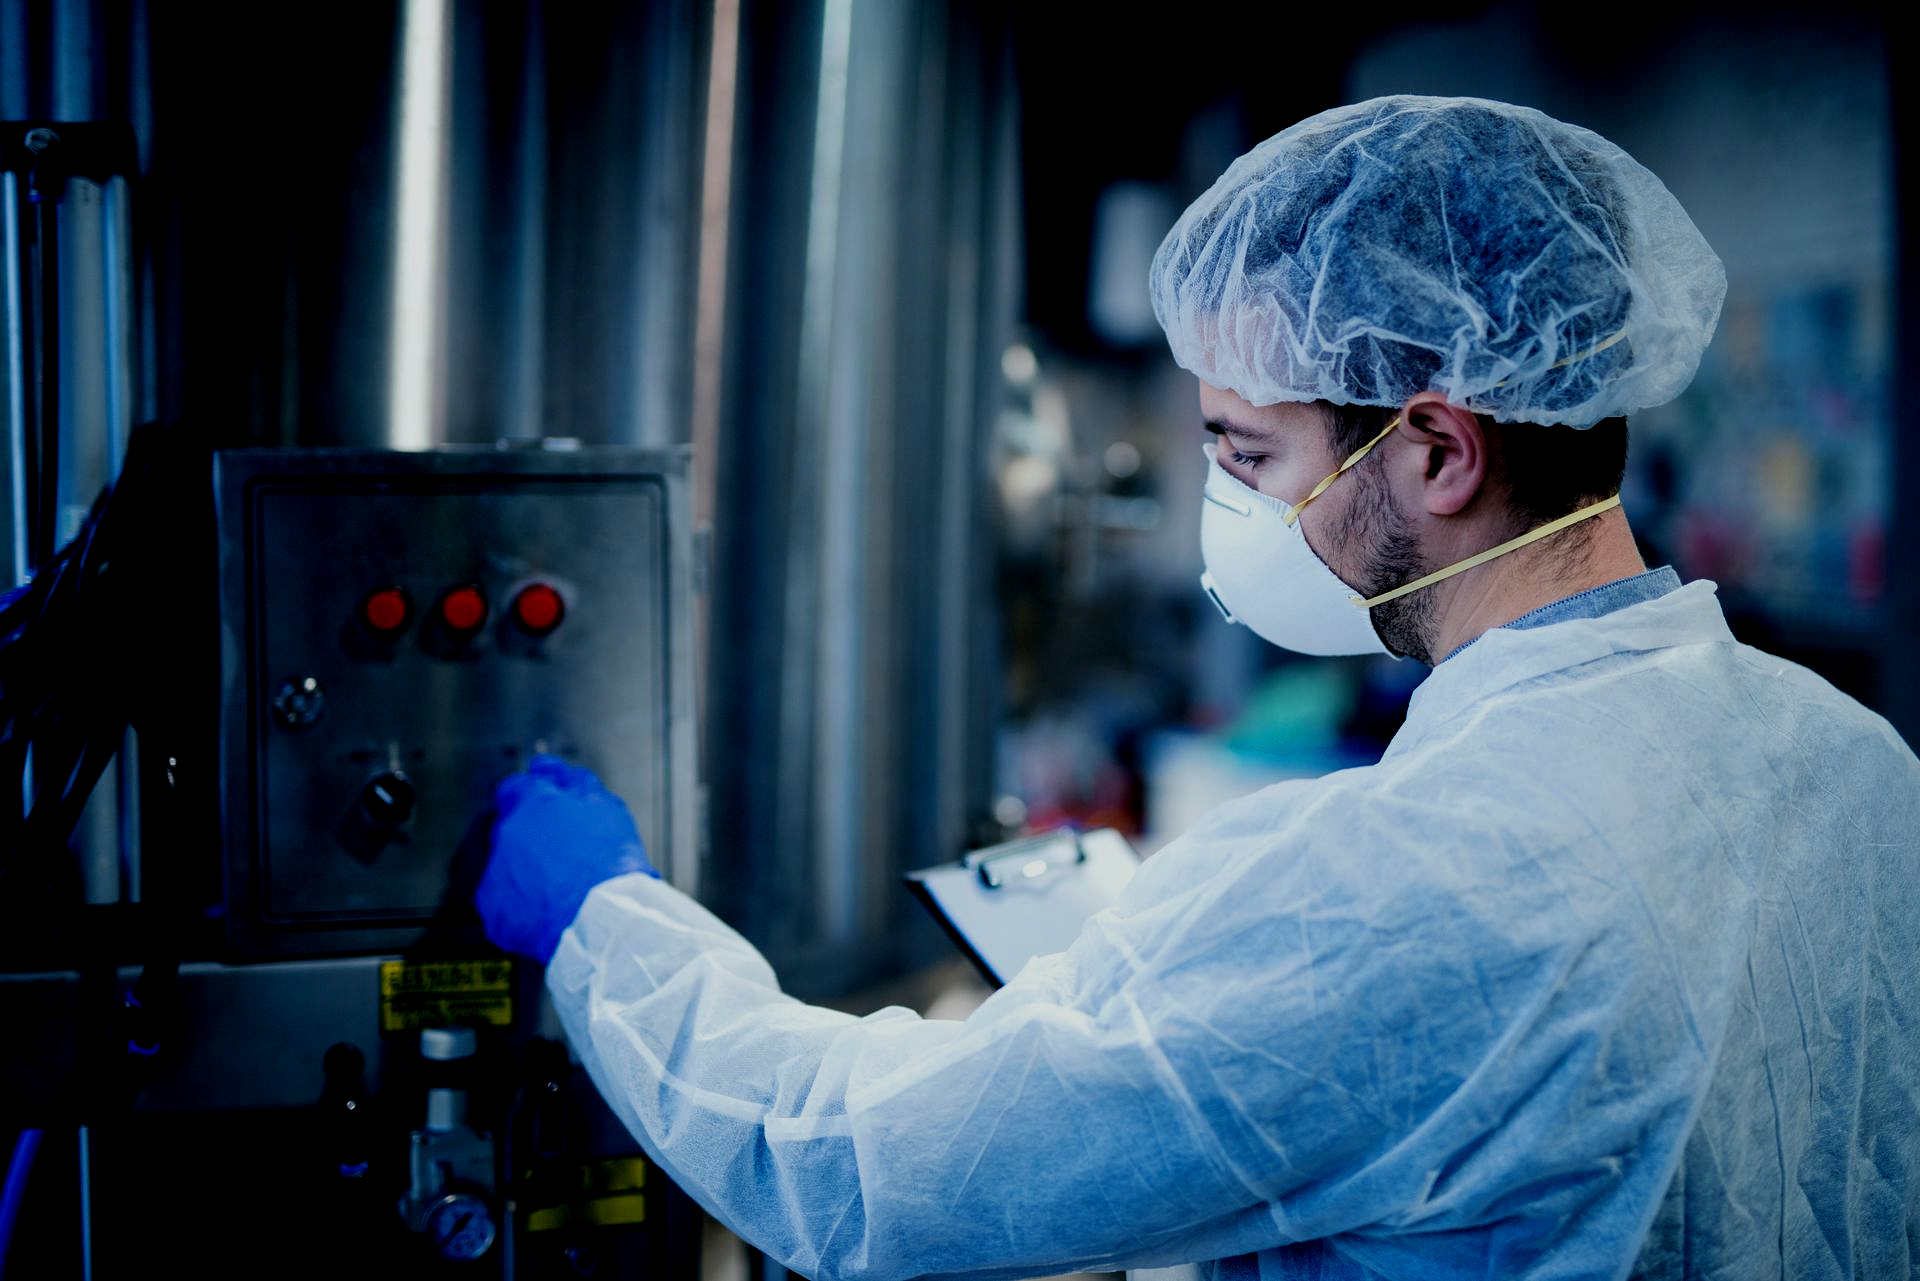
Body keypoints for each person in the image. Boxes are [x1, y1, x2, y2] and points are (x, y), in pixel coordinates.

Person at [476, 96, 1920, 1279]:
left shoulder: (1409, 881)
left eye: (1246, 458)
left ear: (1435, 451)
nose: (1233, 509)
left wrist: (608, 924)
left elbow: (866, 1172)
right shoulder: (1854, 759)